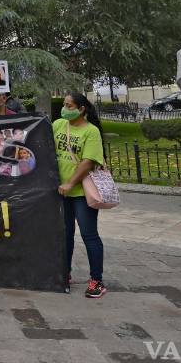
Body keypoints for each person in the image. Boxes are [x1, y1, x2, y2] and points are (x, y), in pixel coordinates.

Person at [53, 92, 107, 299]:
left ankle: (96, 280)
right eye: (65, 105)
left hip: (81, 193)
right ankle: (64, 273)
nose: (65, 108)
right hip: (61, 192)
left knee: (89, 235)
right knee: (65, 235)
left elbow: (88, 162)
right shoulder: (58, 125)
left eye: (69, 105)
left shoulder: (91, 132)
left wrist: (70, 183)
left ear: (81, 108)